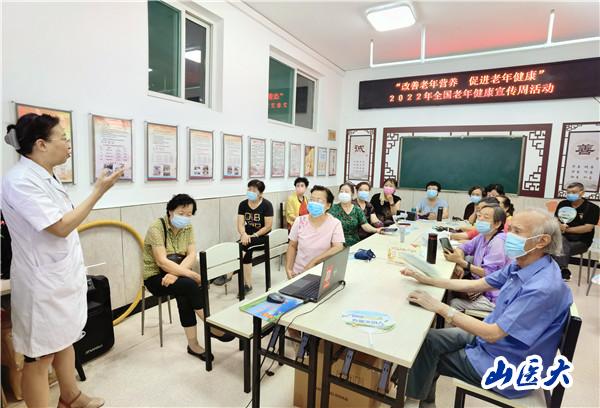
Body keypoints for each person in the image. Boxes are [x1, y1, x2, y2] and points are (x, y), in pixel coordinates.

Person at [2, 114, 124, 408]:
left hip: (60, 278)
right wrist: (98, 191)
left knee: (65, 340)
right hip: (41, 286)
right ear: (41, 144)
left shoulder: (46, 176)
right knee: (40, 357)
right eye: (63, 138)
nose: (68, 144)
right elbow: (60, 227)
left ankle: (71, 397)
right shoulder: (19, 181)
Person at [401, 208, 571, 403]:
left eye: (517, 231)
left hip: (507, 365)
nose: (508, 236)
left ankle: (413, 401)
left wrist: (440, 307)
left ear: (542, 241)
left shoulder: (541, 287)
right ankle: (418, 399)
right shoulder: (524, 264)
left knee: (425, 356)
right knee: (429, 339)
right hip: (495, 343)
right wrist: (427, 279)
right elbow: (477, 284)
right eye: (510, 229)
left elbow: (493, 334)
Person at [143, 194, 234, 362]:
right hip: (155, 277)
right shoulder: (156, 228)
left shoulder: (188, 227)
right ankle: (211, 325)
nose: (185, 217)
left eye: (189, 214)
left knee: (185, 290)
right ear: (170, 211)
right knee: (190, 284)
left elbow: (191, 254)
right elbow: (161, 261)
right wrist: (191, 274)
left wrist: (175, 273)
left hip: (176, 274)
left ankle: (193, 345)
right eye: (181, 213)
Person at [443, 205, 509, 312]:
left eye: (486, 217)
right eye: (479, 216)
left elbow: (490, 274)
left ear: (497, 224)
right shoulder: (483, 236)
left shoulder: (498, 242)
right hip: (479, 284)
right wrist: (459, 264)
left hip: (492, 294)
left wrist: (462, 262)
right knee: (451, 286)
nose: (480, 219)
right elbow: (462, 248)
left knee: (453, 302)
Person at [286, 186, 345, 278]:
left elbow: (338, 247)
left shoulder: (335, 223)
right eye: (312, 200)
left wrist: (314, 261)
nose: (314, 203)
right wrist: (289, 268)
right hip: (299, 271)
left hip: (323, 272)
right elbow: (292, 246)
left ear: (328, 205)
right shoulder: (300, 221)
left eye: (319, 201)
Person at [553, 182, 599, 281]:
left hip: (581, 242)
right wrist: (559, 225)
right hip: (562, 238)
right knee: (557, 242)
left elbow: (588, 228)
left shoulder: (593, 208)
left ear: (582, 193)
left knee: (556, 248)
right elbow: (555, 220)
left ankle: (558, 270)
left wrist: (566, 229)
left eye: (573, 192)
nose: (570, 194)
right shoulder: (563, 204)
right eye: (568, 192)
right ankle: (563, 271)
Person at [329, 182, 382, 247]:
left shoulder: (357, 209)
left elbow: (365, 225)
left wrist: (376, 230)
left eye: (346, 192)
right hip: (337, 243)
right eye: (341, 191)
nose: (343, 193)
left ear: (352, 194)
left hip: (354, 242)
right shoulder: (333, 209)